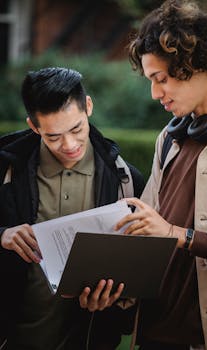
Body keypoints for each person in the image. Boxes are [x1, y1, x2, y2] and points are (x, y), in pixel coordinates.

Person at [115, 0, 207, 349]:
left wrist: (178, 235)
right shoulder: (169, 138)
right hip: (152, 333)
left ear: (194, 64)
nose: (155, 94)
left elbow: (169, 233)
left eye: (161, 79)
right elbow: (144, 232)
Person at [0, 67, 144, 349]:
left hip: (88, 340)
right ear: (34, 126)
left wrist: (115, 297)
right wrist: (2, 234)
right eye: (53, 137)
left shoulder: (126, 180)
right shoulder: (5, 168)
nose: (69, 145)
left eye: (77, 129)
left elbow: (137, 269)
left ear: (88, 106)